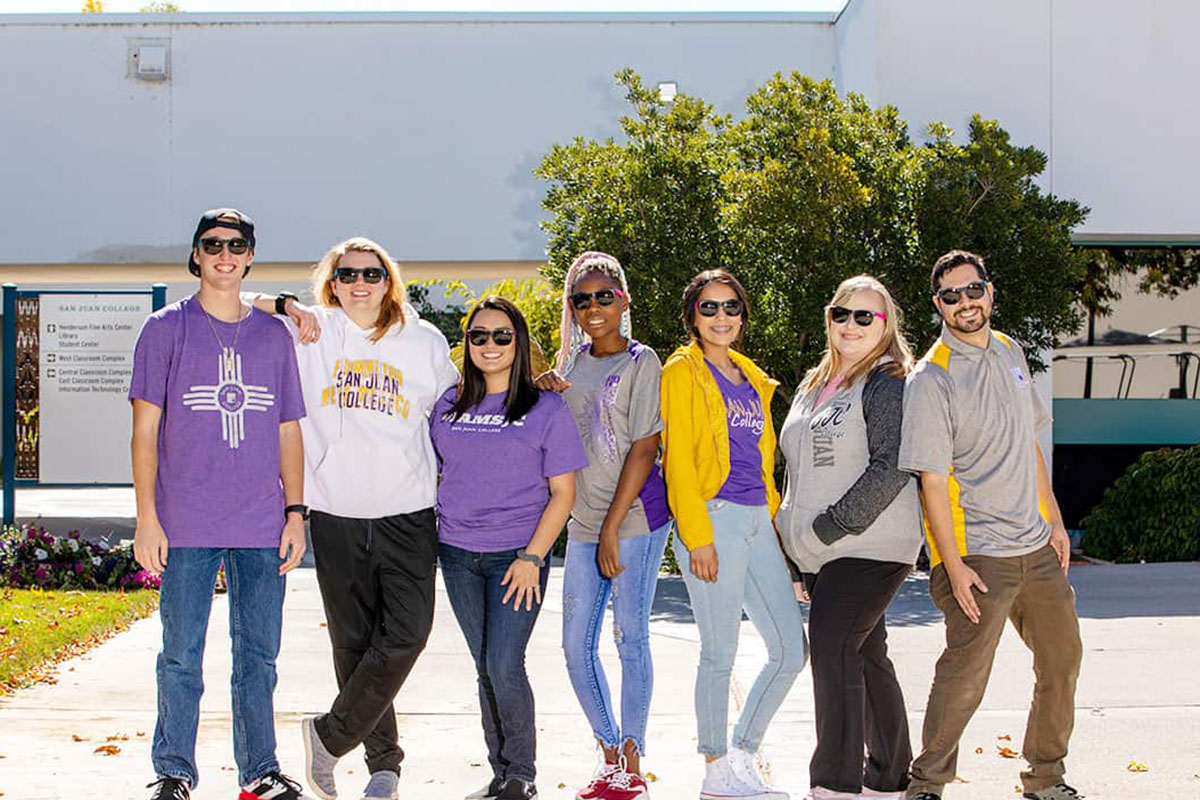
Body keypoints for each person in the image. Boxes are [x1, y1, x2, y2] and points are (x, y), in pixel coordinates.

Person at [254, 237, 458, 800]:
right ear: (332, 281)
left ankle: (328, 736)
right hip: (336, 512)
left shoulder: (422, 341)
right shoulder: (311, 330)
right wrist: (284, 306)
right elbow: (234, 298)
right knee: (353, 643)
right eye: (348, 275)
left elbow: (456, 414)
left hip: (407, 512)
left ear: (389, 280)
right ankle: (383, 766)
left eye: (371, 274)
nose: (360, 284)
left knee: (408, 634)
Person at [129, 208, 310, 800]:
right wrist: (147, 517)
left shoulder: (274, 335)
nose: (225, 254)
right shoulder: (165, 329)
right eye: (213, 244)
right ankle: (173, 771)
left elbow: (288, 429)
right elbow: (145, 431)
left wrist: (296, 513)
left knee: (258, 657)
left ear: (250, 255)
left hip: (261, 521)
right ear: (197, 255)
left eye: (236, 244)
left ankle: (259, 771)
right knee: (180, 655)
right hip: (185, 522)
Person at [898, 250, 1083, 800]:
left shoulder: (1010, 351)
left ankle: (1045, 777)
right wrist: (951, 566)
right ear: (938, 306)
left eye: (972, 290)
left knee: (1063, 659)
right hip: (978, 553)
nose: (965, 303)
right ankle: (926, 783)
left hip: (1036, 545)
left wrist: (1054, 520)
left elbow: (1028, 442)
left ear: (990, 291)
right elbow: (932, 483)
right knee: (966, 675)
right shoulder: (931, 377)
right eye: (951, 296)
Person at [430, 297, 588, 800]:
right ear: (468, 343)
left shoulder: (546, 407)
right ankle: (501, 774)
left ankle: (522, 774)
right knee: (483, 665)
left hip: (517, 557)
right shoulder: (446, 405)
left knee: (504, 662)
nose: (491, 345)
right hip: (456, 554)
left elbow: (564, 493)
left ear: (518, 344)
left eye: (502, 336)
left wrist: (532, 558)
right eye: (480, 336)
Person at [660, 269, 808, 800]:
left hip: (755, 520)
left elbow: (763, 463)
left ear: (743, 316)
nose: (721, 317)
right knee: (719, 653)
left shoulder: (752, 377)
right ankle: (715, 768)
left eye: (731, 308)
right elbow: (676, 458)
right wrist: (696, 536)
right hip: (713, 518)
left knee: (791, 650)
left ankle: (743, 754)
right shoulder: (682, 370)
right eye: (709, 308)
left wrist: (777, 537)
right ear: (692, 317)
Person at [776, 275, 922, 800]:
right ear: (829, 318)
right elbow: (792, 471)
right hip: (819, 552)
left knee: (834, 648)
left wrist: (831, 525)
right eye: (843, 314)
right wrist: (796, 551)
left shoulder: (887, 382)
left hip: (870, 545)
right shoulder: (814, 385)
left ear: (886, 326)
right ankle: (890, 774)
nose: (852, 325)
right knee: (865, 653)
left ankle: (834, 784)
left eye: (866, 316)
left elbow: (892, 466)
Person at [536, 252, 671, 800]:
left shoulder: (643, 362)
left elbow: (644, 449)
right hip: (585, 521)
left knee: (629, 635)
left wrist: (613, 529)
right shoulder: (569, 368)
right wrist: (543, 390)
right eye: (582, 299)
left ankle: (633, 759)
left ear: (623, 301)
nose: (593, 307)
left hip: (635, 519)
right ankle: (609, 752)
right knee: (575, 646)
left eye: (603, 296)